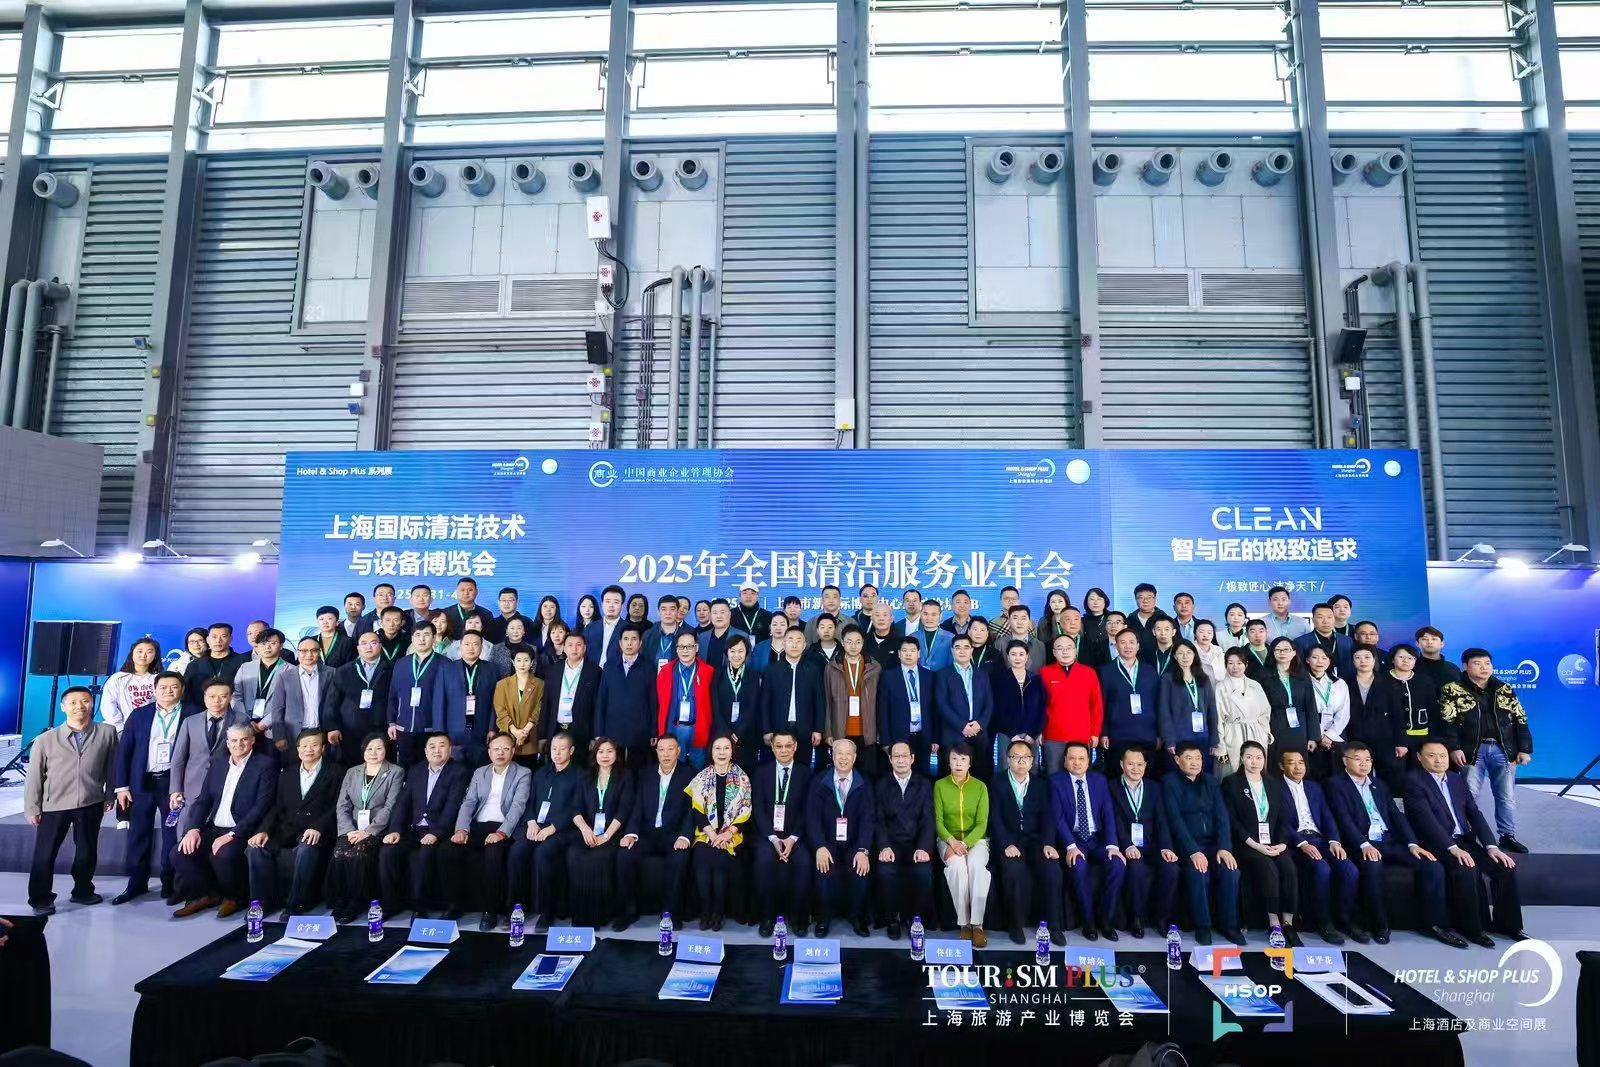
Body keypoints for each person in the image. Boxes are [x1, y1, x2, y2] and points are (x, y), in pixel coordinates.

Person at [1325, 740, 1454, 946]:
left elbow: (1396, 816)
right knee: (1373, 867)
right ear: (1345, 761)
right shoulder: (1335, 784)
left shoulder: (1379, 785)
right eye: (1357, 759)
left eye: (1368, 760)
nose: (1364, 764)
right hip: (1361, 844)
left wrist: (1412, 844)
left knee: (1432, 866)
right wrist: (1363, 844)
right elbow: (1343, 819)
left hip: (1388, 841)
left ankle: (1434, 924)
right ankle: (1380, 925)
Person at [1404, 739, 1527, 945]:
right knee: (1466, 869)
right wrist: (1452, 848)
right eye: (1432, 756)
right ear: (1419, 757)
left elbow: (1474, 813)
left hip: (1464, 841)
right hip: (1437, 844)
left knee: (1504, 867)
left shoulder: (1456, 779)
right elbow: (1425, 820)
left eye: (1442, 756)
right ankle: (1473, 930)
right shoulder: (1413, 781)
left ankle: (1509, 926)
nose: (1438, 760)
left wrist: (1491, 846)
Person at [25, 687, 119, 915]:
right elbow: (34, 776)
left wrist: (110, 795)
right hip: (53, 805)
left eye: (85, 701)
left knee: (87, 852)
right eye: (73, 702)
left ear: (92, 703)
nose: (79, 706)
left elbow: (112, 767)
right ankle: (40, 899)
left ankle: (83, 891)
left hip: (90, 802)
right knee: (45, 854)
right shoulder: (45, 739)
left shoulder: (107, 732)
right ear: (63, 707)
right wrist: (32, 807)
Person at [171, 724, 275, 918]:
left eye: (244, 739)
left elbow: (261, 806)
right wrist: (193, 829)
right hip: (215, 827)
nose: (238, 744)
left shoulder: (265, 765)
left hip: (242, 829)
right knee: (179, 853)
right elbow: (203, 800)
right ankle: (209, 894)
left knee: (223, 853)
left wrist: (232, 834)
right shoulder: (218, 764)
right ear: (227, 743)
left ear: (252, 740)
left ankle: (235, 898)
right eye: (234, 740)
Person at [1439, 649, 1533, 854]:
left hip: (1503, 748)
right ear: (1465, 666)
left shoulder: (1504, 688)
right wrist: (1454, 748)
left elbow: (1520, 718)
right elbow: (1448, 723)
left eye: (1487, 663)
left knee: (1506, 796)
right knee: (1469, 795)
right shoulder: (1452, 689)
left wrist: (1524, 749)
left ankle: (1507, 835)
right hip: (1471, 749)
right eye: (1477, 663)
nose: (1484, 667)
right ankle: (1467, 835)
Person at [246, 730, 339, 921]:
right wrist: (263, 830)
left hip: (319, 830)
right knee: (256, 848)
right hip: (287, 829)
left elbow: (338, 806)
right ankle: (263, 903)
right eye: (304, 746)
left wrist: (319, 827)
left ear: (323, 748)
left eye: (314, 745)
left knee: (306, 849)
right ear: (297, 750)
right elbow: (276, 807)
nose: (309, 749)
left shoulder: (336, 771)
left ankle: (296, 904)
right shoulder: (287, 773)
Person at [111, 672, 185, 904]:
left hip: (174, 785)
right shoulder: (140, 714)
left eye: (174, 687)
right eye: (163, 687)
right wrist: (121, 786)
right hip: (141, 782)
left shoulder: (192, 713)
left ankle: (169, 882)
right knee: (138, 833)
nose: (168, 691)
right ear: (154, 690)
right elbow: (125, 751)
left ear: (182, 689)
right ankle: (136, 883)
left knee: (172, 833)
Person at [445, 733, 531, 930]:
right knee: (447, 850)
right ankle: (455, 904)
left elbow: (518, 807)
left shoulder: (523, 773)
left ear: (513, 751)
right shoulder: (480, 772)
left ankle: (489, 911)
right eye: (496, 749)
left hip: (503, 826)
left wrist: (501, 833)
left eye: (505, 748)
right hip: (478, 825)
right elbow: (469, 802)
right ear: (489, 751)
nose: (500, 752)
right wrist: (461, 829)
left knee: (493, 853)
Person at [1160, 741, 1243, 946]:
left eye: (1198, 758)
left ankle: (1230, 926)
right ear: (1177, 760)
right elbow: (1175, 820)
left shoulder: (1210, 781)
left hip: (1213, 845)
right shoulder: (1169, 782)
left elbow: (1222, 816)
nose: (1195, 762)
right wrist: (1193, 851)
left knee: (1230, 871)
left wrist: (1224, 847)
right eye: (1189, 758)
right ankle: (1203, 926)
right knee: (1199, 872)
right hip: (1186, 846)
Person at [379, 731, 468, 918]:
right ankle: (390, 905)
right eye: (432, 747)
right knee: (388, 851)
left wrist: (437, 832)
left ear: (450, 749)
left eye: (442, 746)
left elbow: (453, 806)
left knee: (425, 853)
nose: (437, 750)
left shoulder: (459, 771)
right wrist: (395, 830)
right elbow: (402, 803)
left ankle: (420, 908)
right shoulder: (416, 770)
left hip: (440, 829)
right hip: (414, 829)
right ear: (426, 751)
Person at [1221, 741, 1302, 944]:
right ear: (1241, 758)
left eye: (1259, 757)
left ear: (1265, 760)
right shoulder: (1231, 783)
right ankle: (1273, 923)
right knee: (1268, 867)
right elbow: (1233, 821)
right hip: (1246, 844)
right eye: (1249, 757)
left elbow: (1283, 818)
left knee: (1288, 867)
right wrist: (1255, 845)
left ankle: (1288, 923)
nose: (1254, 762)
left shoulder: (1273, 784)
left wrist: (1282, 843)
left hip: (1273, 843)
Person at [615, 733, 696, 931]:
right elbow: (637, 806)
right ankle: (628, 911)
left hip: (673, 833)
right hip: (647, 832)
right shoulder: (645, 773)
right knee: (624, 854)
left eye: (670, 749)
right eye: (661, 750)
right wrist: (630, 833)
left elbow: (691, 810)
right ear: (656, 752)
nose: (666, 754)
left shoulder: (690, 774)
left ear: (678, 751)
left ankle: (671, 913)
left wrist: (685, 836)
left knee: (680, 856)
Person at [168, 678, 238, 904]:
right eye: (212, 696)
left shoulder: (240, 720)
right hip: (192, 790)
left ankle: (214, 890)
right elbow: (179, 759)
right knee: (185, 840)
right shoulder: (191, 721)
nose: (217, 701)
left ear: (230, 698)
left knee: (213, 841)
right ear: (204, 698)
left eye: (223, 696)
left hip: (224, 789)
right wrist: (175, 789)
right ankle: (183, 889)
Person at [1278, 749, 1358, 944]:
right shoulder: (1274, 787)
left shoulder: (1314, 787)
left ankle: (1345, 920)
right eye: (1291, 763)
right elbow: (1280, 822)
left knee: (1349, 869)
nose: (1298, 767)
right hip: (1296, 842)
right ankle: (1324, 923)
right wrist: (1302, 843)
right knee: (1322, 869)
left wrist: (1334, 841)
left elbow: (1327, 815)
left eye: (1301, 762)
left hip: (1320, 839)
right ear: (1281, 766)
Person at [990, 738, 1065, 945]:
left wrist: (1048, 843)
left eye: (1026, 757)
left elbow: (1048, 817)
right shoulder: (997, 782)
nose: (1021, 761)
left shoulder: (1040, 784)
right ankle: (1016, 925)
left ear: (1032, 760)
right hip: (1010, 841)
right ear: (1008, 760)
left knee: (1052, 869)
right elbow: (994, 818)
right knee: (1014, 871)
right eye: (1016, 757)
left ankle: (1054, 927)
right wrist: (1006, 843)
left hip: (1035, 841)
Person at [323, 734, 402, 924]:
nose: (373, 753)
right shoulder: (352, 772)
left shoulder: (395, 772)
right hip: (351, 827)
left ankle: (356, 903)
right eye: (369, 749)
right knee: (340, 853)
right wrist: (349, 830)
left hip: (377, 828)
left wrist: (368, 831)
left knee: (358, 854)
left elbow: (390, 806)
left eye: (379, 748)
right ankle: (340, 900)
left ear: (386, 750)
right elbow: (342, 805)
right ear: (363, 751)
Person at [511, 731, 583, 931]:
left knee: (543, 853)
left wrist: (553, 828)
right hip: (537, 826)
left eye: (562, 749)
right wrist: (531, 822)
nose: (557, 753)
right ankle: (516, 907)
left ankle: (546, 911)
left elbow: (577, 807)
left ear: (571, 751)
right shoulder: (541, 773)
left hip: (563, 829)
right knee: (517, 852)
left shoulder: (580, 775)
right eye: (554, 749)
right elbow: (530, 801)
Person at [1049, 741, 1122, 942]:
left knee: (1117, 864)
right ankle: (1088, 922)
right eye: (1072, 758)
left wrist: (1112, 845)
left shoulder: (1099, 780)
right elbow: (1058, 817)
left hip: (1097, 838)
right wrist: (1070, 846)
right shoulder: (1056, 781)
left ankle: (1106, 921)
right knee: (1078, 866)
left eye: (1081, 758)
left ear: (1089, 761)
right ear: (1065, 761)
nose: (1077, 763)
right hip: (1074, 838)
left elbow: (1108, 813)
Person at [808, 738, 875, 937]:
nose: (843, 758)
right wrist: (819, 846)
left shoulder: (864, 783)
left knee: (861, 869)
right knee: (823, 868)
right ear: (832, 755)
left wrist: (863, 850)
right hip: (828, 842)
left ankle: (857, 916)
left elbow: (868, 820)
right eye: (839, 753)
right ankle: (823, 917)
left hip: (854, 843)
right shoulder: (819, 781)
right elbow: (812, 817)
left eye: (848, 754)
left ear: (854, 757)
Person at [1110, 746, 1177, 937]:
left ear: (1146, 766)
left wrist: (1166, 847)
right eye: (1131, 764)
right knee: (1136, 869)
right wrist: (1127, 845)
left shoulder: (1154, 788)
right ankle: (1137, 918)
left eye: (1140, 764)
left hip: (1152, 845)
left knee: (1171, 869)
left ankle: (1161, 919)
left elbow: (1162, 820)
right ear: (1122, 764)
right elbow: (1114, 822)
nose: (1135, 768)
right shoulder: (1112, 787)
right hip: (1126, 845)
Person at [872, 740, 936, 939]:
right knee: (885, 873)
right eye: (896, 756)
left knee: (923, 873)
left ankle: (914, 919)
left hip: (916, 845)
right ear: (890, 759)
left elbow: (928, 820)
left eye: (904, 756)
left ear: (912, 758)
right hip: (891, 845)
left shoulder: (924, 784)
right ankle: (892, 919)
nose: (900, 760)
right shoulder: (881, 785)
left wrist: (924, 847)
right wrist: (883, 846)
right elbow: (878, 820)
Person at [687, 735, 751, 930]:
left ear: (732, 752)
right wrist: (714, 836)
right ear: (711, 751)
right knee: (703, 857)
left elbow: (745, 812)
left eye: (726, 748)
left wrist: (726, 834)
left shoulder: (742, 778)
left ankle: (718, 912)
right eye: (717, 748)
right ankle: (706, 910)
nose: (721, 752)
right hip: (706, 833)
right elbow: (697, 813)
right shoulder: (701, 777)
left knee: (720, 859)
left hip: (731, 834)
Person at [568, 738, 634, 927]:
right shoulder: (586, 776)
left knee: (600, 857)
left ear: (616, 754)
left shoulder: (625, 776)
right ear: (594, 755)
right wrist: (585, 829)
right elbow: (575, 809)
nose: (605, 756)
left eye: (609, 751)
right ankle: (582, 915)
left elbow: (624, 810)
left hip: (613, 832)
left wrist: (606, 836)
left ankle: (600, 915)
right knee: (574, 854)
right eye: (601, 752)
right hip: (588, 831)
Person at [751, 731, 814, 925]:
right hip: (768, 835)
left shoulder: (806, 774)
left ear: (795, 747)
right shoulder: (761, 772)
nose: (784, 750)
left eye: (788, 746)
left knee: (804, 863)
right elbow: (757, 808)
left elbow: (808, 810)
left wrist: (792, 838)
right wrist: (772, 838)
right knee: (763, 860)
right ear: (772, 747)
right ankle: (767, 917)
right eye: (779, 746)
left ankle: (798, 917)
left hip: (796, 835)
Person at [935, 742, 990, 944]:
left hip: (975, 840)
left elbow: (982, 824)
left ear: (970, 763)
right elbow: (938, 821)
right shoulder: (939, 786)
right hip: (948, 840)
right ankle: (964, 923)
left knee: (977, 868)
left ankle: (978, 924)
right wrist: (952, 842)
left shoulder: (980, 787)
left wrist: (964, 844)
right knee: (957, 869)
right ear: (948, 762)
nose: (958, 763)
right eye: (954, 759)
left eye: (963, 759)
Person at [1370, 643, 1436, 788]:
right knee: (1394, 780)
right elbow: (1379, 713)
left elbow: (1433, 710)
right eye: (1401, 657)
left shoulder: (1424, 680)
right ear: (1392, 659)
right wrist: (1399, 741)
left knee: (1419, 781)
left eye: (1410, 658)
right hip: (1391, 740)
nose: (1406, 661)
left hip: (1421, 738)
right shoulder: (1381, 679)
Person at [386, 622, 450, 767]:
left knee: (429, 768)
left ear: (434, 638)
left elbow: (448, 699)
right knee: (405, 768)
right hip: (404, 727)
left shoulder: (445, 664)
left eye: (426, 635)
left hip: (431, 728)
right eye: (417, 635)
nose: (422, 639)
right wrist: (391, 722)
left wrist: (442, 728)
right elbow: (393, 695)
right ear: (412, 638)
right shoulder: (401, 663)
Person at [596, 623, 658, 771]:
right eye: (626, 639)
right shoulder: (609, 666)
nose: (629, 643)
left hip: (639, 731)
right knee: (615, 771)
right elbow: (601, 700)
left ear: (640, 643)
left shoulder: (648, 667)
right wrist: (598, 731)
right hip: (613, 730)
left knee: (638, 771)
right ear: (620, 643)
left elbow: (652, 701)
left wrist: (653, 730)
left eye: (634, 639)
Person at [761, 626, 824, 768]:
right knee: (776, 768)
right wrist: (766, 730)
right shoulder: (772, 669)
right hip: (778, 728)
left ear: (804, 645)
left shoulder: (813, 670)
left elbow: (819, 702)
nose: (794, 644)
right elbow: (765, 703)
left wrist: (818, 729)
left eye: (798, 641)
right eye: (790, 640)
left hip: (805, 729)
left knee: (802, 768)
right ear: (784, 644)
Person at [824, 625, 883, 779]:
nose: (853, 646)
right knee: (842, 774)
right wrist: (829, 731)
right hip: (841, 729)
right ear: (842, 643)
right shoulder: (832, 667)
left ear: (863, 643)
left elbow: (880, 702)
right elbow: (827, 701)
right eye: (849, 642)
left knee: (867, 775)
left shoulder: (874, 667)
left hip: (867, 730)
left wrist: (879, 731)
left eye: (857, 642)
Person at [326, 632, 391, 767]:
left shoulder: (391, 669)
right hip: (350, 729)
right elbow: (332, 701)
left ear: (380, 646)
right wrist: (332, 727)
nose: (369, 647)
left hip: (380, 728)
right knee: (350, 766)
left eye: (373, 643)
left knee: (379, 765)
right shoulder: (344, 670)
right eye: (364, 643)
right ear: (358, 648)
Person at [1039, 635, 1101, 777]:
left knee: (1080, 776)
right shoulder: (1044, 673)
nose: (1065, 651)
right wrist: (1039, 730)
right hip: (1053, 735)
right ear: (1054, 652)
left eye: (1069, 648)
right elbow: (1039, 705)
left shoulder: (1089, 673)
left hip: (1082, 735)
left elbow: (1096, 704)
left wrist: (1095, 732)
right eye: (1060, 648)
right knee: (1054, 776)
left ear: (1075, 650)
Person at [935, 634, 993, 783]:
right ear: (952, 651)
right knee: (950, 781)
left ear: (972, 650)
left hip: (978, 734)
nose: (962, 651)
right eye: (957, 647)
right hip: (953, 735)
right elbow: (942, 704)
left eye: (966, 647)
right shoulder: (942, 674)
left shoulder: (982, 674)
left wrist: (980, 724)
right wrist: (962, 726)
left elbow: (989, 703)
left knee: (979, 779)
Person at [879, 637, 938, 777]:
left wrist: (935, 738)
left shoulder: (929, 676)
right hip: (898, 736)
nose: (908, 654)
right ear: (899, 654)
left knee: (923, 774)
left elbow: (934, 710)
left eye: (912, 650)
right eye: (904, 650)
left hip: (924, 735)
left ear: (919, 653)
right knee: (899, 773)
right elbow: (882, 710)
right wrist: (885, 740)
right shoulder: (888, 676)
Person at [1100, 628, 1158, 769]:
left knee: (1146, 774)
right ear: (1116, 646)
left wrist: (1159, 734)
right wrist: (1104, 732)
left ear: (1138, 646)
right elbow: (1101, 705)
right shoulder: (1105, 671)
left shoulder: (1150, 671)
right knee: (1116, 773)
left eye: (1132, 642)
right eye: (1123, 642)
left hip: (1146, 733)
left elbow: (1158, 704)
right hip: (1117, 734)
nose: (1128, 646)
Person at [657, 631, 715, 769]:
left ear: (697, 648)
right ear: (676, 649)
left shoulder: (708, 672)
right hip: (673, 729)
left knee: (698, 771)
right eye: (681, 647)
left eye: (689, 646)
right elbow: (659, 704)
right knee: (675, 771)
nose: (685, 651)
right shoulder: (665, 672)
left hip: (698, 729)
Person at [541, 633, 601, 764]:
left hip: (581, 731)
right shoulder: (553, 671)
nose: (574, 649)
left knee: (580, 768)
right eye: (570, 645)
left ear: (584, 648)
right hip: (556, 728)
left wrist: (594, 736)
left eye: (578, 645)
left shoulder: (594, 672)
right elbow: (546, 704)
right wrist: (542, 735)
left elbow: (597, 706)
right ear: (564, 648)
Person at [1157, 640, 1217, 771]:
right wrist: (1169, 738)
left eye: (1189, 653)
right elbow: (1164, 711)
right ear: (1175, 656)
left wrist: (1214, 738)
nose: (1185, 657)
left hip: (1202, 737)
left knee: (1202, 773)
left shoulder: (1203, 678)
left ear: (1194, 655)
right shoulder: (1168, 679)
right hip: (1178, 737)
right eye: (1181, 653)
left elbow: (1212, 710)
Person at [447, 630, 502, 766]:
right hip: (454, 732)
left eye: (475, 644)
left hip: (482, 730)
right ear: (460, 646)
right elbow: (440, 701)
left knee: (480, 768)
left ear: (481, 647)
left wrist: (492, 728)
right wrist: (441, 732)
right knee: (455, 771)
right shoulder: (447, 668)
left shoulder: (492, 669)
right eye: (467, 644)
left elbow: (495, 702)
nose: (471, 648)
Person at [1215, 647, 1272, 774]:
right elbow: (1218, 719)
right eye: (1230, 663)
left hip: (1256, 734)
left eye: (1239, 663)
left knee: (1257, 772)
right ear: (1225, 665)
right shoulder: (1220, 687)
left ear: (1246, 665)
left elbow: (1265, 712)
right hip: (1233, 734)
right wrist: (1221, 747)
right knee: (1235, 773)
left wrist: (1265, 733)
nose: (1235, 667)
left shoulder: (1255, 685)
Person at [992, 640, 1046, 773]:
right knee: (1006, 768)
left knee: (1031, 769)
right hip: (1007, 734)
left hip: (1030, 735)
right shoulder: (999, 680)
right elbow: (997, 709)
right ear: (1008, 657)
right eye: (1013, 654)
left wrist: (1033, 734)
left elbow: (1041, 709)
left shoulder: (1036, 680)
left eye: (1021, 654)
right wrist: (1012, 734)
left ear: (1027, 657)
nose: (1017, 658)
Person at [231, 628, 288, 753]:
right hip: (245, 726)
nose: (267, 647)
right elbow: (236, 695)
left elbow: (288, 702)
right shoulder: (245, 667)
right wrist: (246, 720)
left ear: (281, 645)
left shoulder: (291, 670)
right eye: (263, 643)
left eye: (273, 643)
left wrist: (264, 723)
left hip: (272, 729)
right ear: (257, 646)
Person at [1263, 638, 1315, 766]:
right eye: (1278, 649)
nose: (1282, 653)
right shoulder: (1263, 675)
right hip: (1275, 724)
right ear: (1272, 653)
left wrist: (1313, 736)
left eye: (1286, 649)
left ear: (1293, 653)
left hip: (1300, 726)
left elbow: (1310, 705)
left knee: (1298, 763)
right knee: (1277, 763)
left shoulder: (1303, 674)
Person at [282, 637, 337, 756]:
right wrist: (279, 736)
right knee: (293, 765)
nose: (309, 654)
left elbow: (336, 704)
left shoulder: (332, 673)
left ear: (319, 652)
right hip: (294, 732)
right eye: (304, 651)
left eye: (314, 650)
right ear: (297, 653)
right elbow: (278, 707)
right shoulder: (285, 676)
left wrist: (333, 728)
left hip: (322, 731)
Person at [181, 623, 249, 718]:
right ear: (207, 639)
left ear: (230, 638)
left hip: (233, 715)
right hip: (199, 715)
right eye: (214, 637)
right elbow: (185, 694)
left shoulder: (243, 662)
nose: (218, 640)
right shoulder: (194, 665)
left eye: (223, 636)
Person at [711, 634, 762, 759]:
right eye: (732, 651)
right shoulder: (718, 674)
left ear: (746, 652)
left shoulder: (754, 675)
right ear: (727, 652)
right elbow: (715, 706)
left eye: (740, 651)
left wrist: (738, 732)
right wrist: (727, 733)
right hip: (722, 733)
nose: (736, 655)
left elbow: (752, 707)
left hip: (746, 734)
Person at [1304, 645, 1349, 779]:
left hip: (1336, 731)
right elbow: (1305, 710)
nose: (1320, 661)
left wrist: (1329, 735)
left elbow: (1344, 713)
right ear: (1307, 660)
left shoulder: (1339, 683)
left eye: (1324, 658)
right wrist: (1318, 734)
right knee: (1314, 774)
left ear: (1330, 661)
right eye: (1315, 657)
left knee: (1337, 773)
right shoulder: (1302, 682)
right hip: (1311, 731)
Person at [494, 648, 543, 768]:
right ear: (513, 662)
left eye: (526, 660)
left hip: (530, 737)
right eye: (519, 660)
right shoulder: (502, 684)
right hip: (508, 737)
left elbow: (539, 709)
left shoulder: (540, 684)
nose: (522, 664)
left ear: (532, 662)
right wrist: (515, 731)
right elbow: (500, 710)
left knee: (529, 770)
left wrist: (525, 731)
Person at [102, 638, 162, 733]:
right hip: (121, 730)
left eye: (149, 652)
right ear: (132, 654)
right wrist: (120, 728)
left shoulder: (159, 679)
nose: (143, 655)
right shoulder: (118, 678)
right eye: (140, 651)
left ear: (155, 656)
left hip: (151, 730)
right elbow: (108, 705)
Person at [1294, 603, 1355, 679]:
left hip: (1344, 683)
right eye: (1320, 617)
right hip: (1313, 683)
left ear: (1334, 619)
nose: (1325, 621)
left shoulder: (1347, 641)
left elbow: (1351, 666)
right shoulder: (1301, 642)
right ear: (1313, 620)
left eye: (1329, 617)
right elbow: (1300, 669)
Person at [696, 599, 749, 670]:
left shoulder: (742, 636)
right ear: (710, 615)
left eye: (722, 612)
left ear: (729, 614)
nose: (718, 616)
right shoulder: (702, 637)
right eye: (715, 613)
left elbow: (747, 664)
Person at [583, 585, 627, 669]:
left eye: (616, 602)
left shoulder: (628, 629)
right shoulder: (590, 628)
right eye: (607, 601)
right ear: (602, 604)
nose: (611, 605)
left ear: (622, 605)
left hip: (616, 673)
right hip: (592, 672)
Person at [643, 594, 687, 671]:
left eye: (672, 609)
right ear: (658, 612)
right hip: (650, 677)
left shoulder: (686, 636)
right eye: (663, 609)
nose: (668, 613)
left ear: (677, 611)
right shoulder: (648, 635)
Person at [908, 599, 954, 672]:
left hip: (942, 677)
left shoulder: (950, 638)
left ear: (940, 616)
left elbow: (952, 664)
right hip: (919, 677)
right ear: (920, 614)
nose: (929, 618)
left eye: (933, 614)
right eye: (925, 614)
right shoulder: (912, 637)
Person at [1413, 626, 1462, 691]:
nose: (1430, 642)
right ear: (1417, 643)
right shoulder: (1411, 668)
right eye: (1424, 639)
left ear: (1442, 644)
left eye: (1434, 639)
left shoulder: (1453, 669)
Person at [1001, 605, 1047, 670]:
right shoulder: (1000, 644)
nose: (1019, 622)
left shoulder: (1040, 645)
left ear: (1029, 621)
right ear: (1009, 621)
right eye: (1015, 618)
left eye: (1023, 618)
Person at [862, 604, 903, 670]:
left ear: (891, 619)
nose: (881, 619)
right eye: (877, 615)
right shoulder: (863, 641)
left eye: (885, 615)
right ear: (871, 618)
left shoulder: (900, 642)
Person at [1240, 620, 1274, 684]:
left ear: (1266, 633)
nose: (1258, 635)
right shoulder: (1240, 654)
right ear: (1246, 634)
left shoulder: (1275, 652)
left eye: (1261, 631)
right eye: (1252, 632)